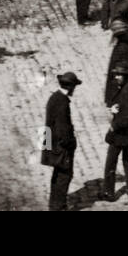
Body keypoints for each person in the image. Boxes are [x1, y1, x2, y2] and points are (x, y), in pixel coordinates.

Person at [101, 66, 128, 202]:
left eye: (119, 75)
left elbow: (124, 118)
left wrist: (113, 122)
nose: (116, 77)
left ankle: (109, 192)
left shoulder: (126, 91)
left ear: (125, 76)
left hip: (120, 134)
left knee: (110, 163)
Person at [44, 71, 81, 210]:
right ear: (71, 87)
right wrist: (71, 144)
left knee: (58, 173)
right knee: (65, 175)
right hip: (60, 147)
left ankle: (54, 204)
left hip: (51, 144)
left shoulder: (54, 97)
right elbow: (63, 130)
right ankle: (58, 206)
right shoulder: (63, 103)